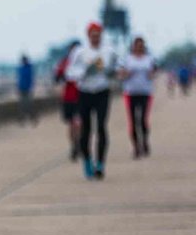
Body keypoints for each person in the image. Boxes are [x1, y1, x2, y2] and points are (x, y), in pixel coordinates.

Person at [66, 22, 116, 180]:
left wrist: (107, 69)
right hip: (85, 92)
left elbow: (114, 68)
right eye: (92, 35)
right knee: (86, 130)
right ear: (88, 35)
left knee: (101, 126)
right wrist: (84, 71)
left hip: (102, 91)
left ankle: (100, 163)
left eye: (98, 34)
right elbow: (70, 72)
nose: (95, 37)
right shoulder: (79, 52)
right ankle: (87, 161)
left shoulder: (109, 51)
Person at [118, 36, 157, 158]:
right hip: (130, 93)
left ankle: (144, 140)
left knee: (143, 120)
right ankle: (136, 146)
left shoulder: (149, 59)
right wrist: (127, 73)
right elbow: (120, 75)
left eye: (141, 45)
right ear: (133, 46)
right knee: (133, 120)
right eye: (137, 45)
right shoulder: (127, 59)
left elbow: (153, 73)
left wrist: (151, 74)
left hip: (145, 92)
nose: (139, 47)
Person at [53, 40, 82, 160]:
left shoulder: (85, 62)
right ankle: (74, 145)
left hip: (82, 96)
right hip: (68, 98)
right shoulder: (64, 63)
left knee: (78, 123)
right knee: (71, 124)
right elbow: (57, 78)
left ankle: (79, 143)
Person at [17, 54, 37, 125]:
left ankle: (33, 118)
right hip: (22, 89)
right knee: (22, 105)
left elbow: (30, 79)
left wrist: (30, 87)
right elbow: (20, 79)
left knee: (29, 104)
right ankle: (22, 119)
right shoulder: (21, 68)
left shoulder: (29, 68)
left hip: (27, 89)